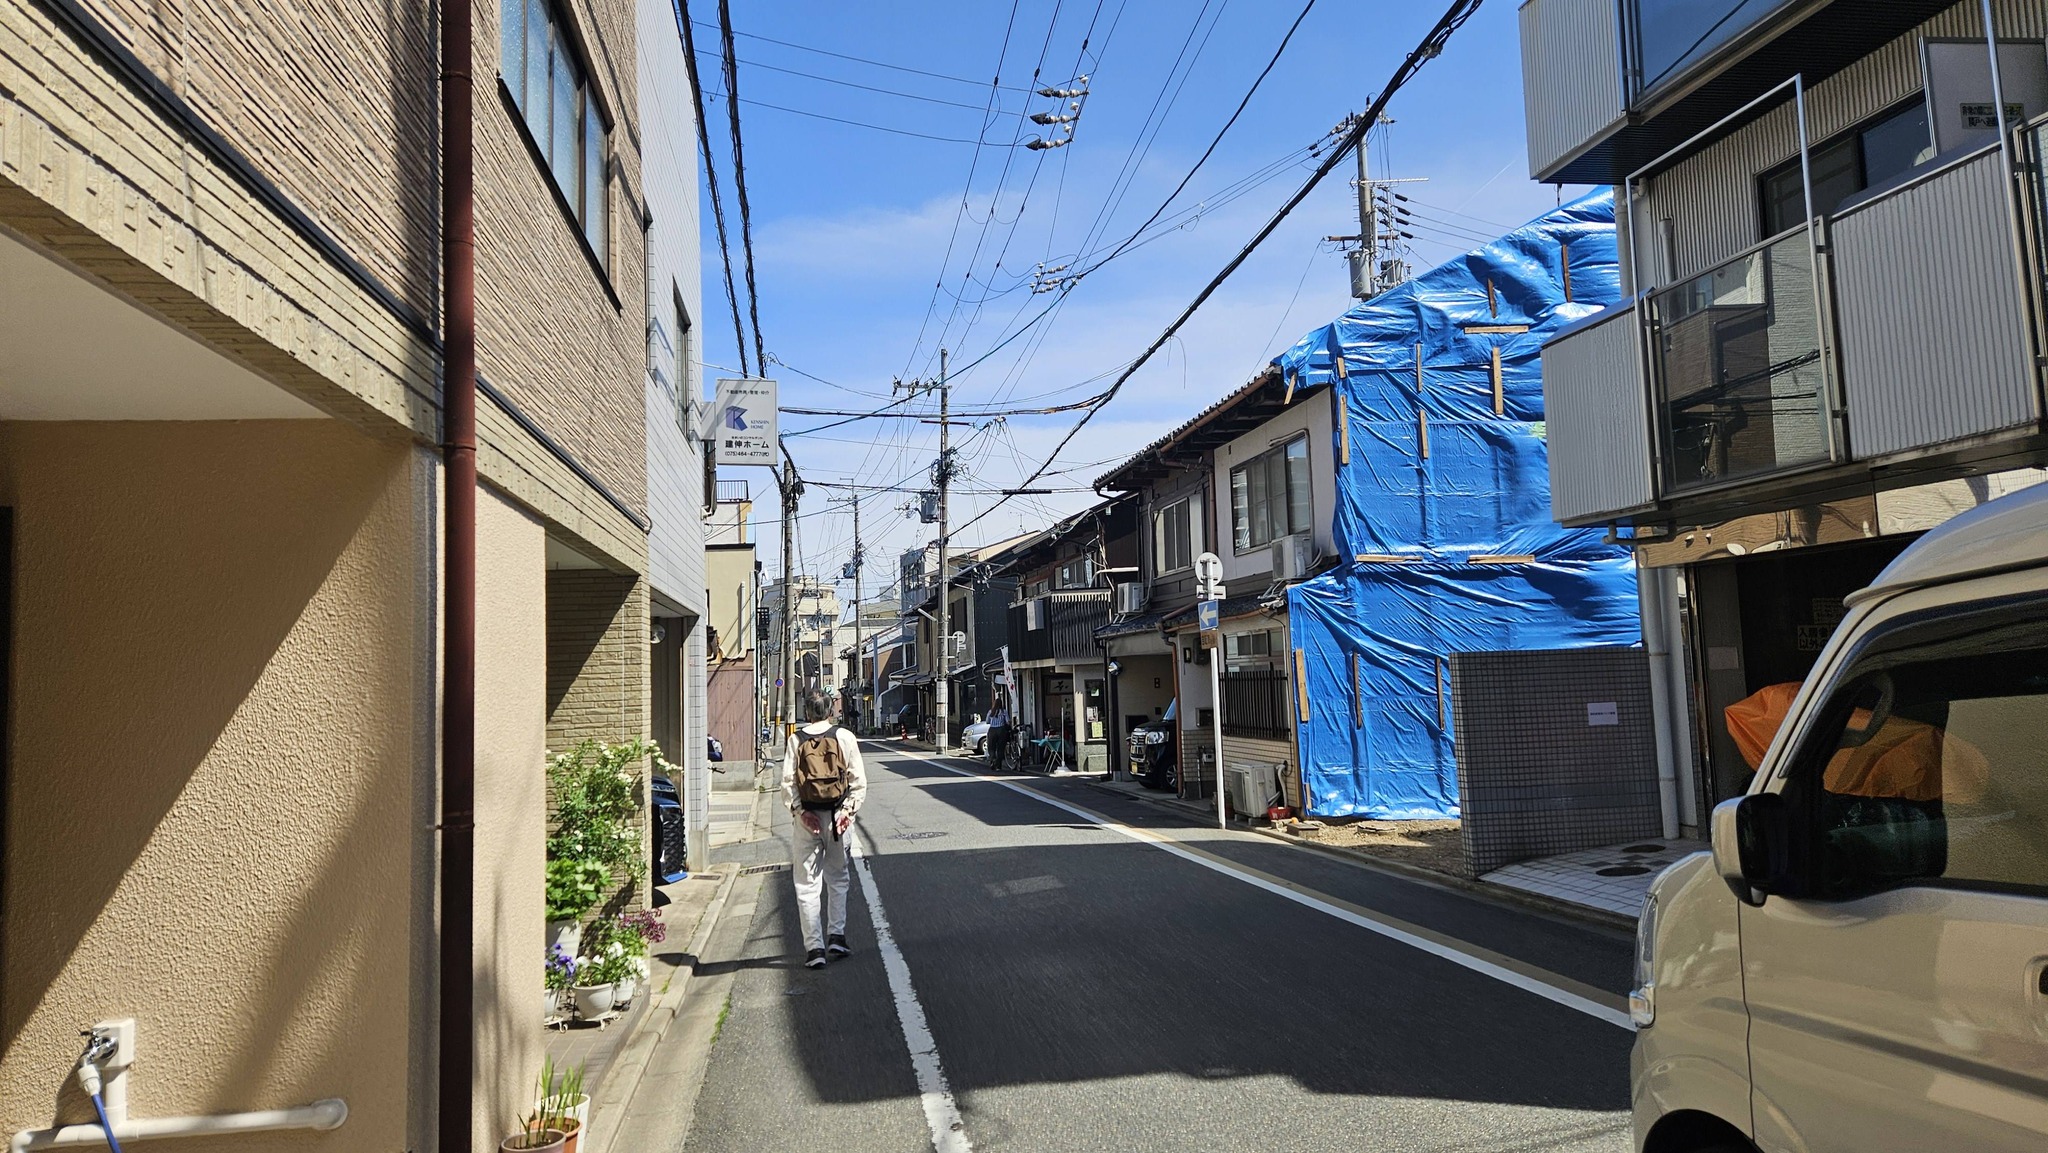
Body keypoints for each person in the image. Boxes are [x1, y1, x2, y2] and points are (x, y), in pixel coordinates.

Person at [782, 689, 867, 969]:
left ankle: (814, 949)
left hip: (807, 820)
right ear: (830, 711)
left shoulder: (796, 740)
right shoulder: (844, 737)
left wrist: (801, 812)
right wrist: (848, 811)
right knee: (838, 878)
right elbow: (858, 781)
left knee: (807, 885)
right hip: (837, 816)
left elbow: (788, 784)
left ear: (807, 712)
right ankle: (837, 936)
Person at [987, 702, 1011, 770]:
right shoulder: (1004, 712)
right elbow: (1008, 722)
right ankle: (998, 765)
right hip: (1001, 730)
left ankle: (992, 760)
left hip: (992, 730)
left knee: (991, 747)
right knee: (1000, 747)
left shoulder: (990, 711)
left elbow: (987, 721)